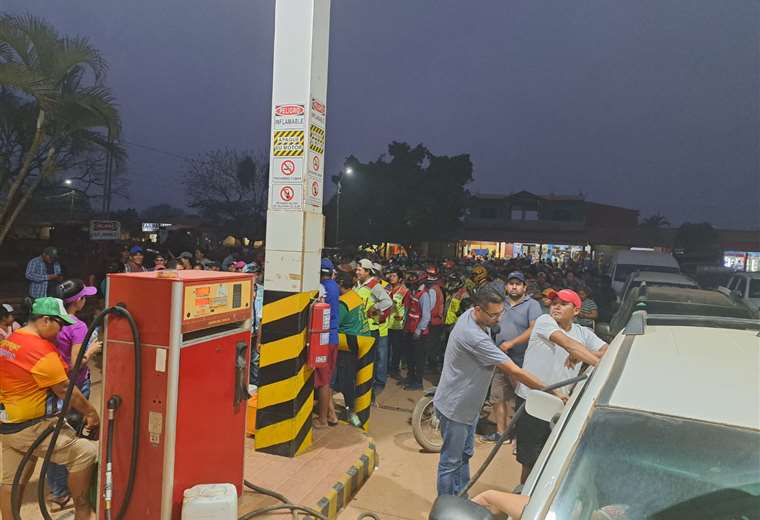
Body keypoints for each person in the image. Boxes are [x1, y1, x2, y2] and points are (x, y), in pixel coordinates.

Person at [432, 286, 555, 496]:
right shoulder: (472, 335)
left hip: (469, 407)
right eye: (493, 315)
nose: (498, 319)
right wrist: (552, 392)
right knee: (450, 462)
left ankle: (461, 497)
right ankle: (446, 507)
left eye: (501, 313)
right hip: (456, 408)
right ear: (478, 309)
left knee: (465, 455)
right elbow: (514, 370)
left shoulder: (474, 318)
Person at [0, 297, 99, 520]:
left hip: (8, 425)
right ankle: (82, 510)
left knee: (12, 483)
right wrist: (91, 413)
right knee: (85, 453)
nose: (60, 330)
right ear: (45, 320)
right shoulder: (40, 350)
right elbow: (65, 389)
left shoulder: (12, 339)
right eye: (59, 324)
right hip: (32, 427)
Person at [514, 289, 608, 483]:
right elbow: (566, 343)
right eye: (554, 302)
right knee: (529, 460)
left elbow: (606, 349)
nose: (556, 306)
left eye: (563, 303)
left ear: (576, 310)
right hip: (533, 400)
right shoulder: (544, 321)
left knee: (552, 458)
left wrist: (581, 354)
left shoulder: (583, 332)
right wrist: (584, 355)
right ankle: (524, 500)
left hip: (560, 403)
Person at [46, 280, 102, 508]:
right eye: (83, 296)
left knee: (53, 435)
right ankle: (66, 489)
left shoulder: (51, 322)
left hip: (51, 383)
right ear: (78, 301)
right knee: (70, 438)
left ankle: (58, 490)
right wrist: (92, 349)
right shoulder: (77, 326)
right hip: (73, 386)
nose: (85, 299)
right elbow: (78, 363)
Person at [483, 271, 543, 443]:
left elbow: (534, 329)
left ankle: (521, 436)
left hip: (523, 359)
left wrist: (512, 343)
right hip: (501, 357)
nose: (514, 286)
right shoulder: (501, 304)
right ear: (506, 286)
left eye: (518, 283)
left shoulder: (532, 305)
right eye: (511, 283)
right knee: (498, 396)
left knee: (522, 398)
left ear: (524, 287)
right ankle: (502, 434)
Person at [333, 271, 368, 427]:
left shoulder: (343, 303)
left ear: (341, 284)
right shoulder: (355, 296)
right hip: (361, 342)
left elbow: (335, 323)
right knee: (351, 378)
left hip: (348, 345)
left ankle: (351, 412)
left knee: (346, 380)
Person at [354, 259, 392, 398]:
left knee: (370, 362)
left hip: (371, 329)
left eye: (360, 269)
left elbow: (388, 302)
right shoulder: (358, 284)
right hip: (360, 328)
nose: (357, 271)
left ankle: (370, 393)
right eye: (357, 269)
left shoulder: (373, 285)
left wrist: (374, 309)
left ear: (367, 271)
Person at [315, 259, 340, 428]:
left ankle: (323, 419)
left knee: (323, 381)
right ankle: (331, 414)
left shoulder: (321, 287)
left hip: (323, 339)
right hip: (333, 337)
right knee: (327, 378)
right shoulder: (334, 286)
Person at [386, 267, 409, 380]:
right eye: (391, 275)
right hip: (385, 324)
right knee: (386, 349)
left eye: (394, 276)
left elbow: (408, 308)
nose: (391, 277)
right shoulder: (387, 289)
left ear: (400, 279)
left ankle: (394, 369)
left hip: (398, 325)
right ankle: (385, 369)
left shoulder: (404, 291)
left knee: (396, 350)